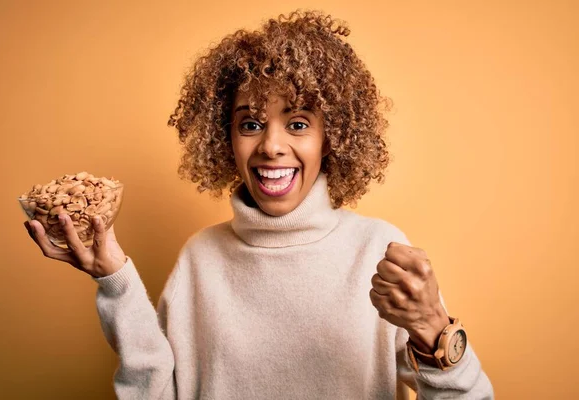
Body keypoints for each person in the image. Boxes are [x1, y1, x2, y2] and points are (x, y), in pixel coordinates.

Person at [24, 10, 494, 399]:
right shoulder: (200, 258)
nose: (270, 146)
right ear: (224, 138)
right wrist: (115, 279)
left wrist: (434, 329)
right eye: (250, 124)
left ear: (331, 137)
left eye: (297, 124)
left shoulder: (378, 249)